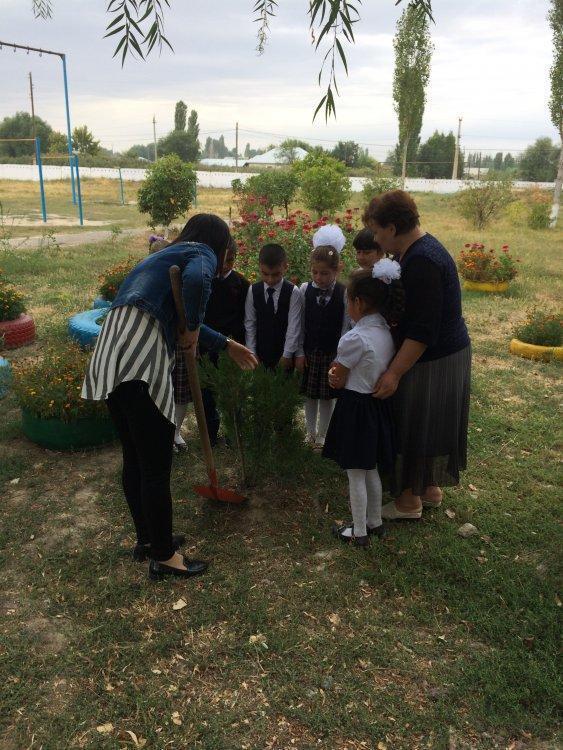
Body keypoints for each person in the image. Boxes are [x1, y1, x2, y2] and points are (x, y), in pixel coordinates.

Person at [82, 214, 258, 580]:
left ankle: (149, 539)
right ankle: (165, 556)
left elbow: (177, 309)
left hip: (111, 350)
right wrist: (192, 328)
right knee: (157, 467)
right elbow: (194, 284)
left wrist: (223, 344)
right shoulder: (201, 252)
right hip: (139, 356)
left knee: (136, 456)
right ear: (219, 242)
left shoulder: (162, 256)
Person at [364, 190, 471, 520]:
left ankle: (408, 502)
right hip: (445, 353)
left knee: (411, 421)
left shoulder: (422, 260)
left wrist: (394, 372)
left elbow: (422, 331)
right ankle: (429, 489)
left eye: (377, 232)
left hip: (433, 356)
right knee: (428, 422)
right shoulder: (420, 249)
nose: (377, 240)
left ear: (393, 228)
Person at [323, 260, 403, 547]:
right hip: (375, 407)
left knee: (355, 471)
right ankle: (375, 521)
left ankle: (358, 531)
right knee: (370, 469)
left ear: (358, 302)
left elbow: (339, 377)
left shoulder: (354, 338)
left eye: (348, 301)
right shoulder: (385, 332)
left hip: (355, 408)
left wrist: (333, 376)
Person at [199, 237, 249, 446]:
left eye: (230, 260)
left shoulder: (242, 284)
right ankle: (210, 435)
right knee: (207, 394)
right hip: (206, 345)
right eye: (222, 260)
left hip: (232, 346)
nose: (225, 265)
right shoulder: (204, 281)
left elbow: (246, 318)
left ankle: (235, 434)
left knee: (232, 393)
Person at [299, 245, 348, 449]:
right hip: (311, 351)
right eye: (315, 272)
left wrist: (341, 355)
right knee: (310, 394)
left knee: (327, 396)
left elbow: (346, 325)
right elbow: (300, 323)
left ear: (337, 270)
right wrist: (300, 351)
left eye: (325, 273)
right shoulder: (304, 290)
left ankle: (323, 434)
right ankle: (310, 432)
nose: (319, 277)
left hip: (331, 352)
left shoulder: (343, 293)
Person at [244, 243, 303, 370]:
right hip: (259, 353)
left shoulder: (293, 292)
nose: (270, 280)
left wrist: (287, 355)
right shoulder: (253, 291)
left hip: (283, 353)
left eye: (276, 274)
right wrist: (252, 353)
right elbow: (250, 323)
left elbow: (294, 325)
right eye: (265, 274)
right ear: (259, 267)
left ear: (285, 267)